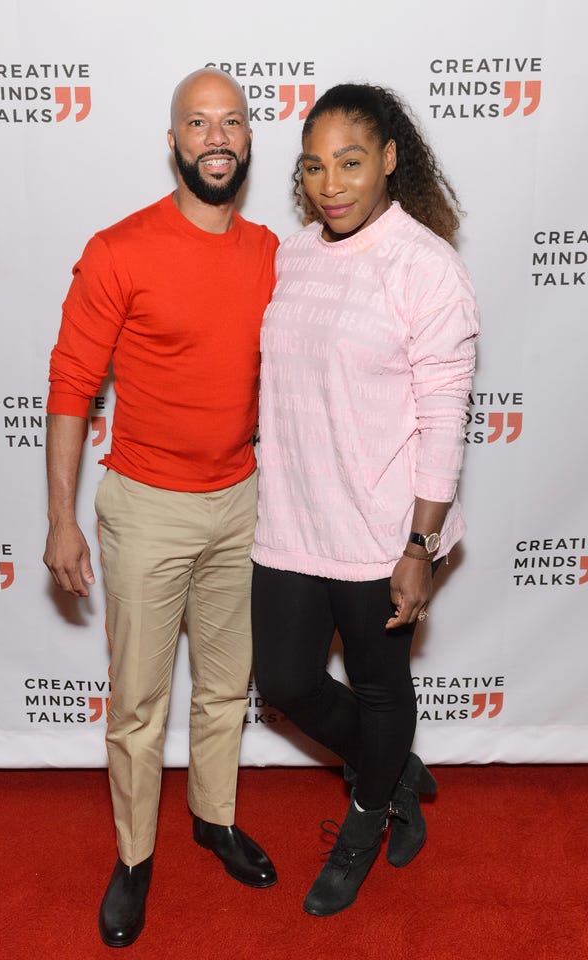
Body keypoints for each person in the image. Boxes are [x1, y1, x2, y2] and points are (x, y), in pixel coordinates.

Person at [43, 68, 279, 948]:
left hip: (242, 502)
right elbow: (71, 384)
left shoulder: (272, 253)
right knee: (139, 703)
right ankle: (135, 858)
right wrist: (61, 519)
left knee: (226, 686)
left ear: (248, 139)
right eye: (198, 123)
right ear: (173, 141)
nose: (217, 137)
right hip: (145, 510)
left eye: (232, 122)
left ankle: (213, 819)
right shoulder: (119, 250)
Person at [251, 82, 479, 917]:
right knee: (285, 681)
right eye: (314, 167)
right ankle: (394, 767)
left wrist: (419, 546)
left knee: (381, 688)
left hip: (385, 528)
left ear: (387, 159)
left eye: (349, 163)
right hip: (292, 517)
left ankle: (367, 815)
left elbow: (444, 418)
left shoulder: (426, 266)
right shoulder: (295, 254)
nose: (331, 184)